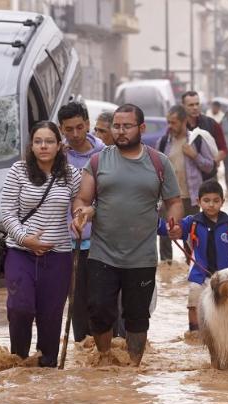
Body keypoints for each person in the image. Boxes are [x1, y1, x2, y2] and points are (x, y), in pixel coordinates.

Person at [73, 104, 183, 366]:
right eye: (117, 126)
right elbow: (82, 198)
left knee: (137, 317)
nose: (120, 132)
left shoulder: (159, 162)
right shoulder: (99, 161)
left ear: (141, 128)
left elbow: (174, 201)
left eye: (127, 126)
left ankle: (134, 368)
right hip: (103, 253)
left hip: (142, 256)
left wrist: (174, 223)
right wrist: (81, 214)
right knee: (99, 311)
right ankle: (105, 360)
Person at [0, 121, 81, 368]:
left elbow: (82, 203)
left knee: (51, 316)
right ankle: (19, 362)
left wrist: (79, 217)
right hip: (20, 252)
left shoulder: (71, 175)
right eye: (38, 141)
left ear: (59, 146)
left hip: (58, 257)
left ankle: (47, 369)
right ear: (31, 145)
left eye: (49, 141)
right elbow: (7, 213)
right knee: (20, 308)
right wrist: (26, 239)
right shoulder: (18, 171)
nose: (43, 146)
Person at [160, 180, 228, 335]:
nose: (211, 205)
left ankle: (226, 333)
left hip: (225, 277)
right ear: (198, 202)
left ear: (223, 202)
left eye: (216, 201)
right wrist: (163, 226)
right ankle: (194, 333)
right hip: (199, 275)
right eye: (206, 201)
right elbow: (173, 230)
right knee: (194, 302)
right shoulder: (191, 222)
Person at [56, 101, 112, 342]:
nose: (75, 134)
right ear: (61, 129)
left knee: (103, 303)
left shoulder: (105, 154)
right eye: (69, 129)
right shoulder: (57, 156)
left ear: (88, 124)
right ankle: (83, 357)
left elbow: (112, 197)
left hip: (102, 241)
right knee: (76, 305)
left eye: (80, 127)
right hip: (67, 243)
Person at [157, 105, 215, 264]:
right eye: (168, 122)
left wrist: (194, 155)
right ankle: (167, 272)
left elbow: (210, 166)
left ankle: (191, 270)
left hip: (191, 198)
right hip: (168, 197)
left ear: (184, 122)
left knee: (190, 238)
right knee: (164, 236)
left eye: (173, 122)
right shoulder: (163, 142)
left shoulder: (196, 140)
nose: (170, 126)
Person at [181, 91, 227, 163]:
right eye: (191, 105)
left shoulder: (211, 124)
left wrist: (212, 163)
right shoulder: (179, 126)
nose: (195, 107)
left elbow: (223, 149)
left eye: (197, 104)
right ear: (183, 106)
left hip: (207, 172)